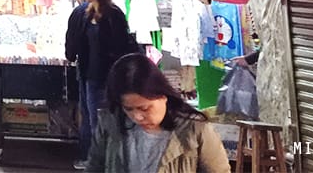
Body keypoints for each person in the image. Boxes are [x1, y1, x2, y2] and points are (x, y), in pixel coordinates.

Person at [86, 53, 230, 173]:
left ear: (163, 96)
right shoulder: (110, 124)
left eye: (144, 108)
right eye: (128, 109)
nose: (137, 117)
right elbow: (94, 168)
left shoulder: (195, 129)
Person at [66, 0, 135, 169]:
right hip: (100, 73)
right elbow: (124, 43)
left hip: (95, 74)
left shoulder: (86, 13)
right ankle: (98, 158)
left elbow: (72, 42)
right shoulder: (111, 13)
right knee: (99, 116)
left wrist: (71, 56)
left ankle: (95, 159)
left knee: (94, 116)